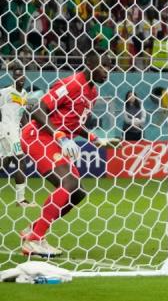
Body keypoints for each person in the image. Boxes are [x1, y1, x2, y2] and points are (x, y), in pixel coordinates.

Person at [20, 53, 109, 258]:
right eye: (103, 66)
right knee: (68, 183)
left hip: (55, 141)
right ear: (90, 64)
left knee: (77, 193)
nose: (107, 72)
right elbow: (37, 109)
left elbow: (74, 123)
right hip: (38, 136)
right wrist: (60, 136)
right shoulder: (72, 84)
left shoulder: (92, 93)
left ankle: (33, 229)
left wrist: (94, 139)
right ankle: (34, 240)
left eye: (110, 67)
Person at [1, 64, 34, 207]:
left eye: (21, 75)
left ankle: (21, 200)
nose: (20, 78)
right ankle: (21, 200)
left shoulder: (24, 94)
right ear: (12, 77)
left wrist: (28, 128)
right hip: (7, 130)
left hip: (16, 130)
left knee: (5, 162)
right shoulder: (6, 92)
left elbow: (22, 115)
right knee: (21, 160)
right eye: (16, 75)